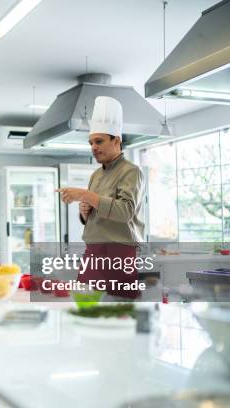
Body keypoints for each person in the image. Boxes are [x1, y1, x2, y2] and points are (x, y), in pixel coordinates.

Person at [56, 96, 145, 299]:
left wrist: (86, 195)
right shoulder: (96, 175)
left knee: (120, 310)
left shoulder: (131, 171)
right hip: (93, 252)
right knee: (84, 304)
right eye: (91, 143)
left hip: (119, 254)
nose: (93, 147)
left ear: (117, 141)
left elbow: (125, 212)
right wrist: (84, 212)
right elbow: (93, 217)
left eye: (99, 141)